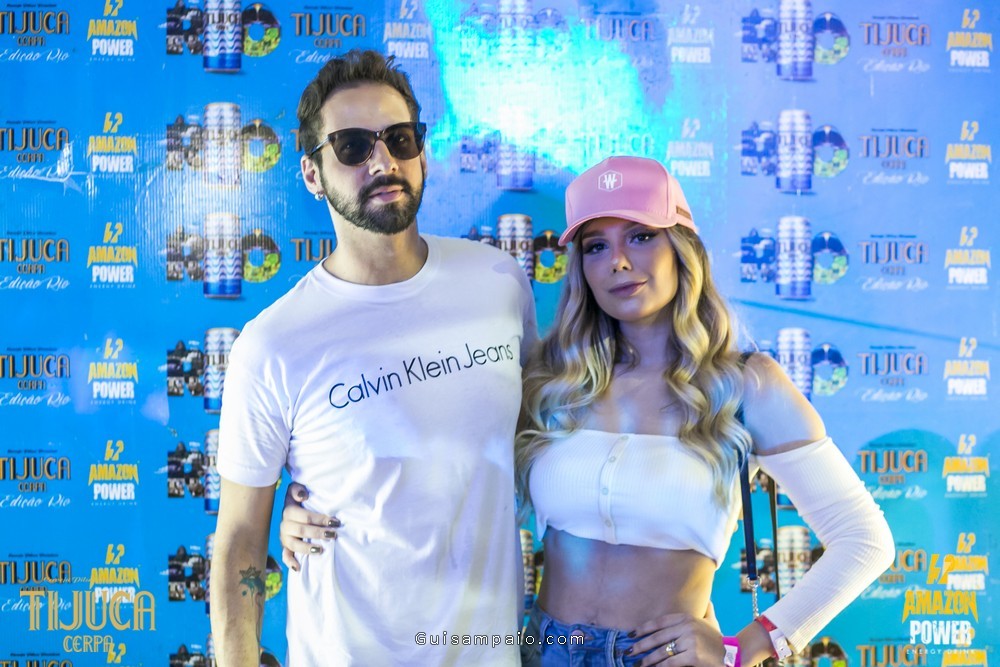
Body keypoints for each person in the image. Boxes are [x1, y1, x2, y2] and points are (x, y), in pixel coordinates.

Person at [281, 156, 895, 666]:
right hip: (542, 649)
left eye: (641, 236)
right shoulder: (550, 380)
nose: (619, 261)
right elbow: (437, 470)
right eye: (597, 246)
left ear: (682, 246)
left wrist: (750, 645)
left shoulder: (746, 384)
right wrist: (316, 508)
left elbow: (864, 540)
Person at [210, 49, 537, 666]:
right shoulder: (273, 343)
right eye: (353, 146)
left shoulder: (498, 282)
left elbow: (535, 443)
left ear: (422, 154)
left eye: (399, 139)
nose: (383, 161)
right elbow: (239, 542)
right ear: (312, 174)